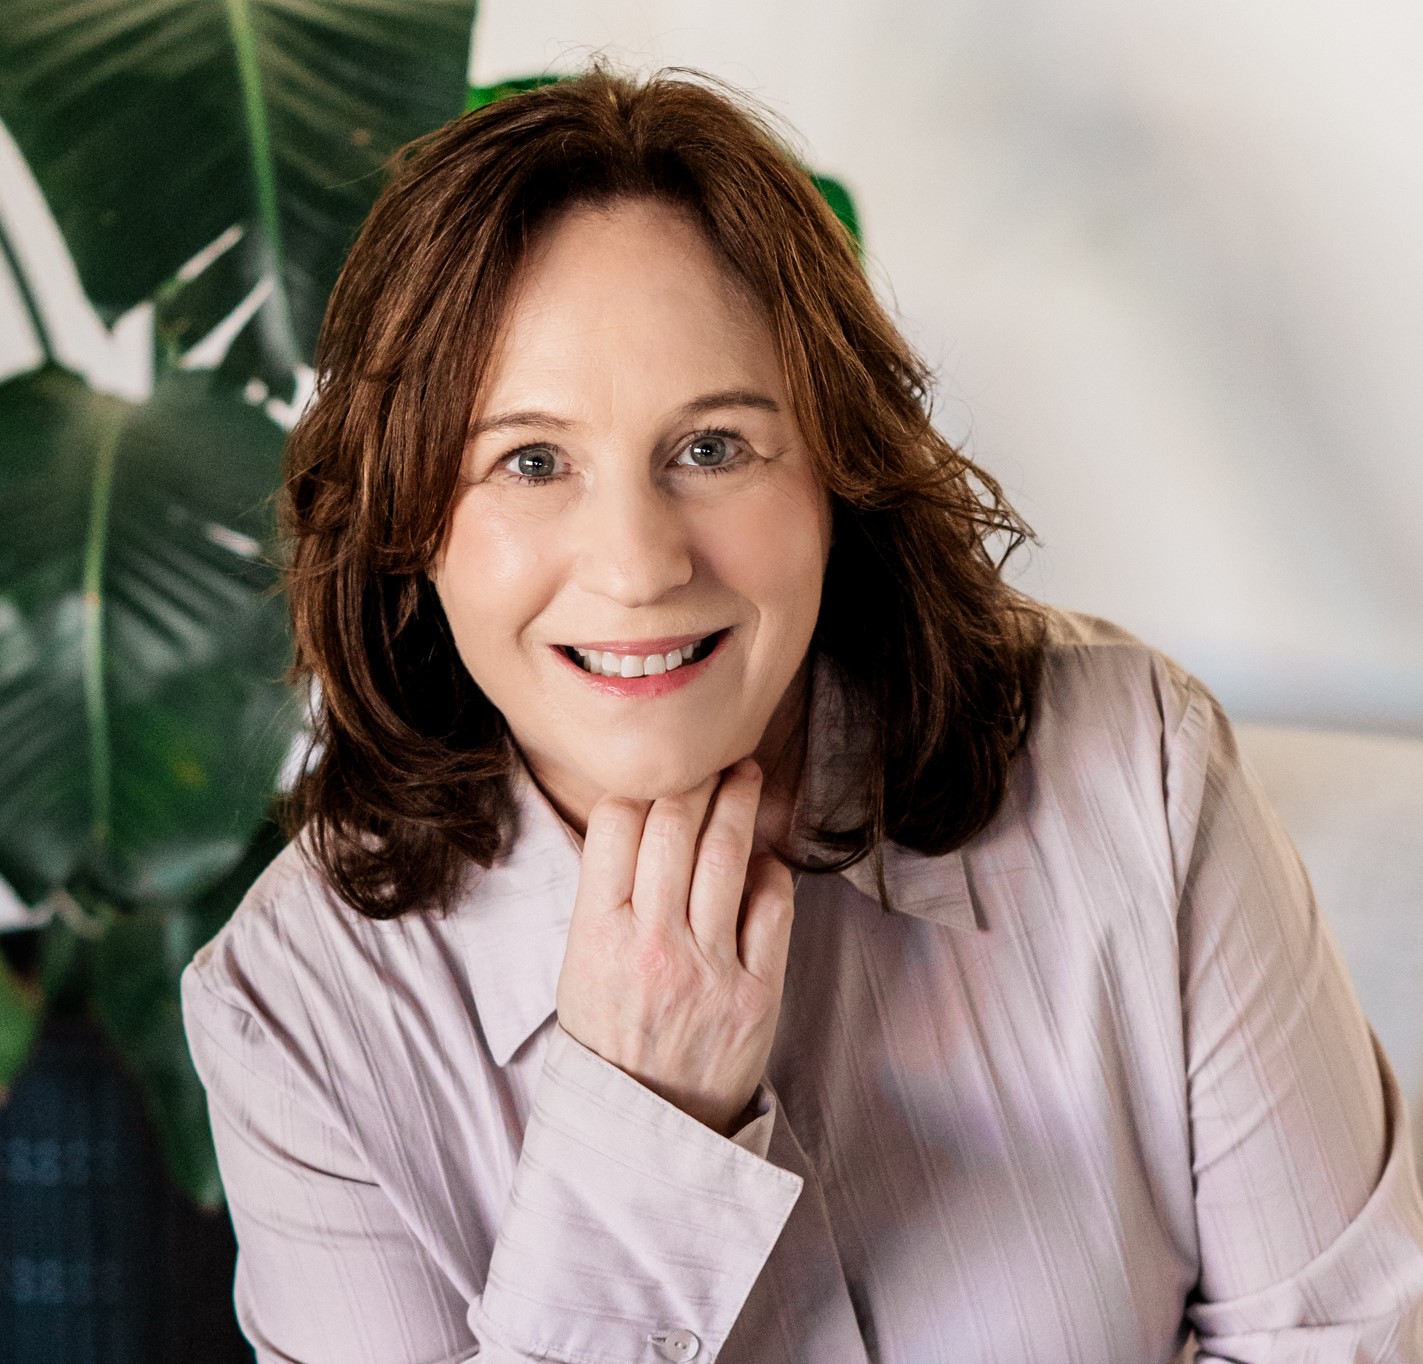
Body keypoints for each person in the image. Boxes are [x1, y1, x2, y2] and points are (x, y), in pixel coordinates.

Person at [180, 64, 1423, 1364]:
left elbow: (1347, 1341)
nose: (638, 565)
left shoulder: (1136, 770)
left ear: (836, 468)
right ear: (407, 520)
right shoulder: (294, 1015)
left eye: (711, 447)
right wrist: (642, 1130)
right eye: (530, 461)